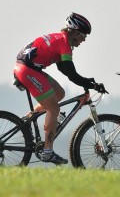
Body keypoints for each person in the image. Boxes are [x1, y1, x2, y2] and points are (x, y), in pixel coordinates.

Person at [14, 12, 107, 165]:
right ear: (75, 32)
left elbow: (63, 69)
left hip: (28, 68)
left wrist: (86, 81)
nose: (83, 40)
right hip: (28, 70)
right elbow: (71, 74)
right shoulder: (64, 44)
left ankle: (27, 120)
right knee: (54, 109)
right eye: (84, 36)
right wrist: (92, 85)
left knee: (59, 93)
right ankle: (47, 152)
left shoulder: (60, 39)